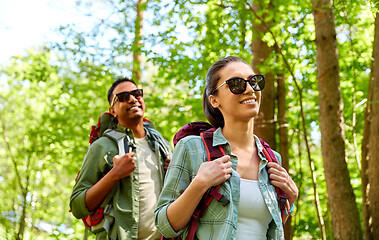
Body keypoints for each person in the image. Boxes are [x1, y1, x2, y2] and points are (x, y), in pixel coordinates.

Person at [155, 56, 298, 240]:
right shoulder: (192, 148)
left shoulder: (272, 159)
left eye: (254, 82)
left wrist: (290, 201)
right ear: (214, 100)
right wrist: (200, 184)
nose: (249, 89)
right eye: (236, 84)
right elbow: (164, 225)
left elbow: (269, 229)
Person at [70, 77, 172, 240]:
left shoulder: (162, 146)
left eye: (137, 93)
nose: (133, 99)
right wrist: (114, 174)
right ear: (113, 111)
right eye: (123, 97)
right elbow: (77, 206)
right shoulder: (101, 147)